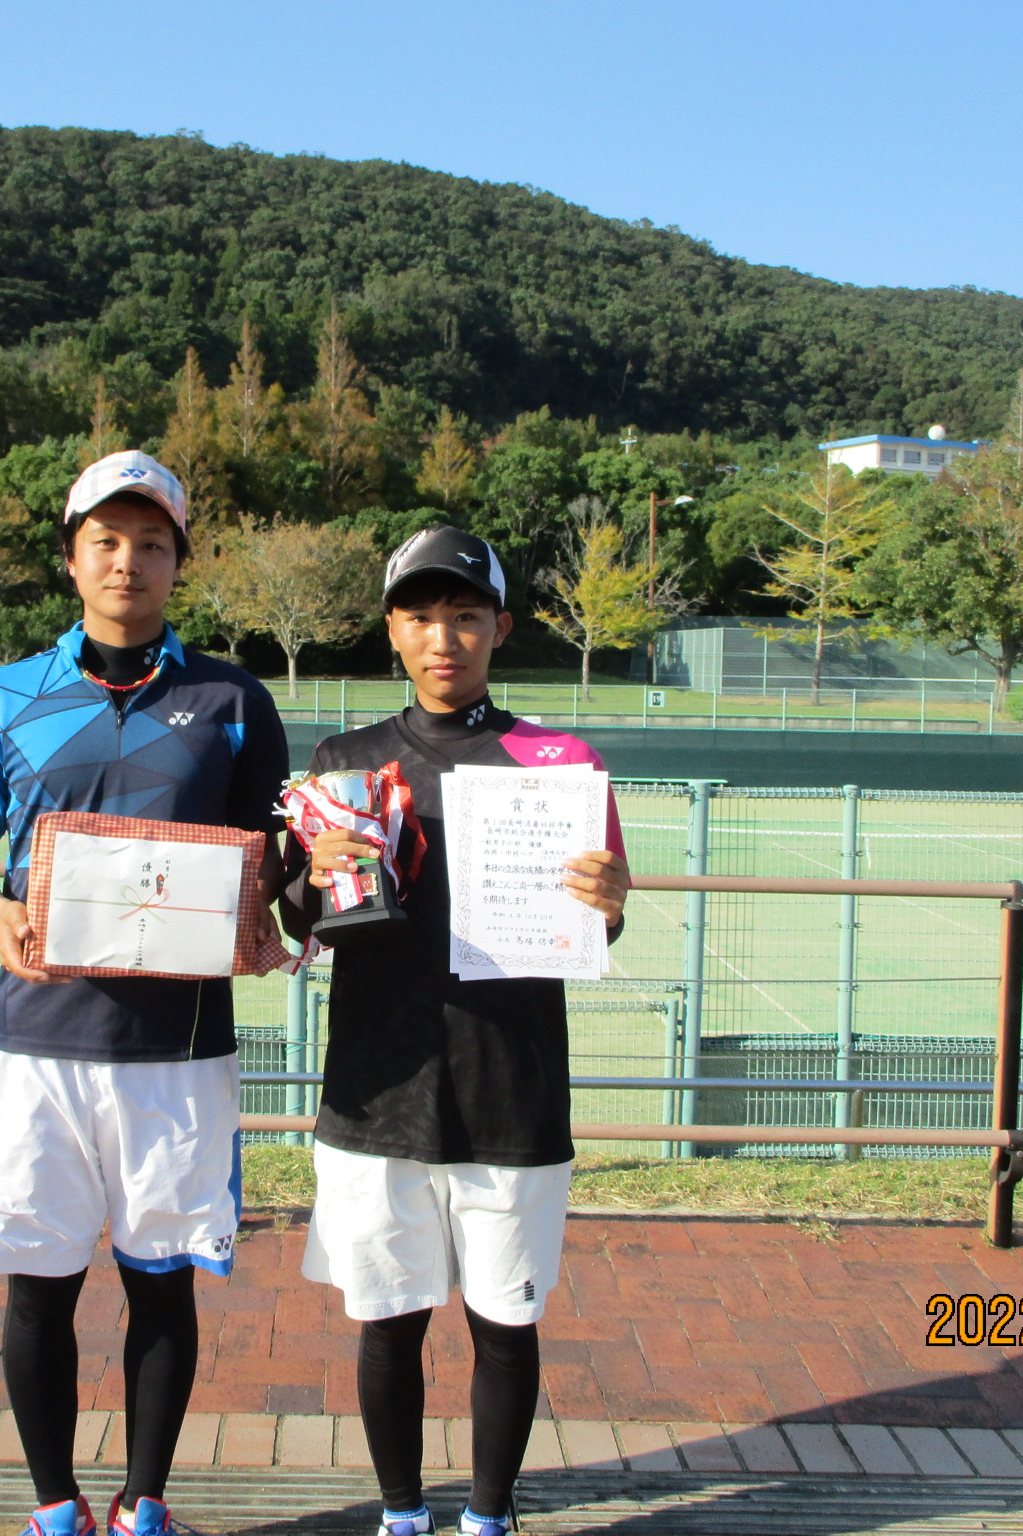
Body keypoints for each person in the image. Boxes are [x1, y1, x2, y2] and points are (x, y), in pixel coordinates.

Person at [0, 450, 290, 1536]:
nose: (129, 561)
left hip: (178, 1052)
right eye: (107, 541)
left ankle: (142, 1503)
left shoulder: (232, 700)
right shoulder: (4, 696)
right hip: (35, 1045)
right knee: (37, 1286)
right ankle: (54, 1506)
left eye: (152, 543)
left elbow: (272, 855)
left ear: (179, 562)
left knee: (161, 1285)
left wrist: (272, 907)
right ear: (72, 558)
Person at [278, 526, 630, 1536]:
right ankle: (400, 1512)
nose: (444, 638)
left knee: (505, 1326)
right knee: (386, 1326)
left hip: (510, 1089)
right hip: (376, 1093)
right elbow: (297, 921)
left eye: (465, 615)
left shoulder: (560, 762)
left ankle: (487, 1515)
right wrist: (312, 877)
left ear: (500, 629)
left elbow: (599, 920)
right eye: (421, 616)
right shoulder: (342, 763)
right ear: (392, 630)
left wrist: (609, 899)